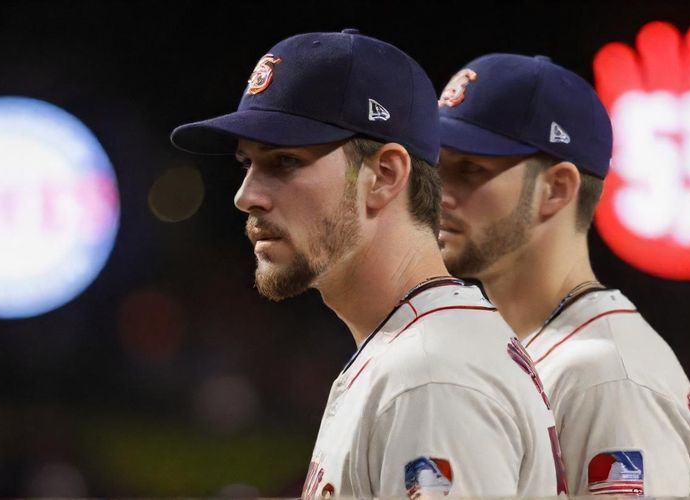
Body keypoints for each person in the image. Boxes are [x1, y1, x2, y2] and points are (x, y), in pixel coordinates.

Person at [171, 31, 564, 498]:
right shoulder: (418, 348)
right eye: (246, 165)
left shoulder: (430, 375)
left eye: (284, 161)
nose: (246, 196)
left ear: (384, 175)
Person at [437, 53, 690, 497]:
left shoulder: (605, 378)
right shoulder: (534, 348)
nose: (439, 193)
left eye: (470, 169)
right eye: (436, 166)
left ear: (557, 189)